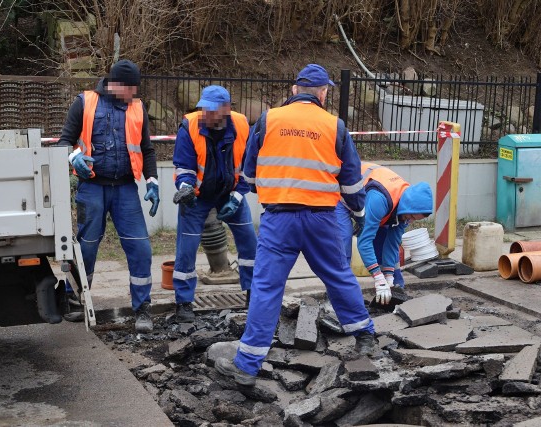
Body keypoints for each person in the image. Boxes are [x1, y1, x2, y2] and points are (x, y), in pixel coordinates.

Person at [214, 64, 374, 386]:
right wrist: (357, 214)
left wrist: (259, 191)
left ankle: (247, 366)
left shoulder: (269, 119)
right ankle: (365, 337)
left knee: (267, 286)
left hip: (279, 219)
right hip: (321, 220)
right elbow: (352, 181)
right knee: (338, 275)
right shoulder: (335, 126)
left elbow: (249, 172)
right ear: (324, 93)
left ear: (294, 90)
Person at [58, 59, 160, 332]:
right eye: (131, 89)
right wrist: (74, 157)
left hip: (126, 188)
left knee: (141, 248)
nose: (134, 95)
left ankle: (142, 308)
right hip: (92, 187)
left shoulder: (137, 108)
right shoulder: (85, 102)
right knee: (87, 246)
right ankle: (76, 300)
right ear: (116, 85)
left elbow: (147, 150)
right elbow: (64, 141)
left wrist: (152, 181)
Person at [171, 85, 257, 323]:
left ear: (227, 110)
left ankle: (253, 294)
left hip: (230, 193)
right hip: (197, 197)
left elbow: (249, 168)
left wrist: (238, 196)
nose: (205, 115)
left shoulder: (242, 126)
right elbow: (184, 166)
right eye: (203, 109)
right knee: (186, 249)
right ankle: (184, 303)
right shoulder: (189, 127)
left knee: (250, 243)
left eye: (211, 110)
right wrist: (185, 188)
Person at [336, 162, 433, 304]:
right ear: (408, 207)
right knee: (343, 248)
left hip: (372, 202)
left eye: (414, 219)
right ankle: (343, 300)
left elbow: (392, 244)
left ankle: (395, 290)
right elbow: (364, 241)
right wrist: (378, 277)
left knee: (383, 246)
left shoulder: (405, 208)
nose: (410, 221)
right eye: (411, 217)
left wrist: (389, 276)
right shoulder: (380, 199)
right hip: (342, 197)